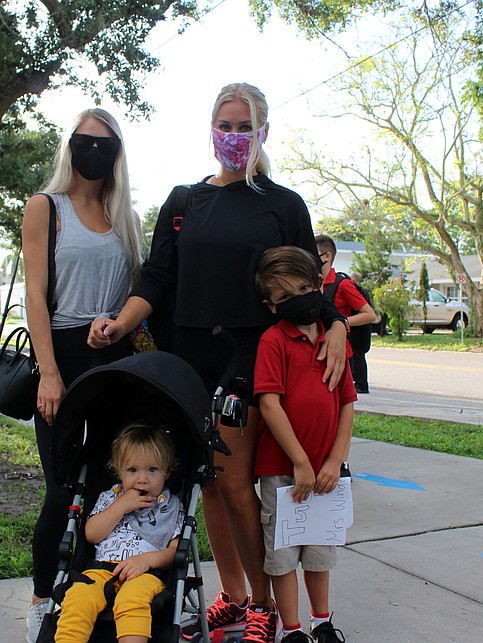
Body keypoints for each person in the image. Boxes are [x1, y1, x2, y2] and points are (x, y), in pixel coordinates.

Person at [88, 83, 349, 643]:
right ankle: (231, 596)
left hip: (249, 361)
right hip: (187, 362)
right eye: (224, 126)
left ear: (262, 133)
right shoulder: (183, 202)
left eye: (243, 126)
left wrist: (336, 327)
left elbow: (310, 285)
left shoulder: (283, 204)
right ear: (211, 130)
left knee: (233, 484)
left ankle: (263, 602)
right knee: (205, 484)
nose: (233, 136)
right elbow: (157, 279)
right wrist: (120, 322)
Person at [23, 108, 143, 643]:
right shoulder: (45, 207)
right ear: (70, 146)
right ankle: (42, 596)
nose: (93, 152)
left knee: (106, 483)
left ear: (117, 154)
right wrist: (49, 373)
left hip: (114, 353)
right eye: (83, 142)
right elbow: (35, 296)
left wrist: (117, 327)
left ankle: (90, 593)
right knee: (60, 485)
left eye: (105, 144)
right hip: (62, 355)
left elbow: (139, 292)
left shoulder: (126, 218)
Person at [253, 246, 354, 643]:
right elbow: (269, 404)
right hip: (284, 472)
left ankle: (322, 623)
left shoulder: (333, 342)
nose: (298, 300)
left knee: (319, 553)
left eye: (304, 288)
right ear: (271, 306)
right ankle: (293, 630)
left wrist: (335, 459)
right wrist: (300, 461)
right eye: (285, 297)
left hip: (327, 472)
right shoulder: (273, 342)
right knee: (282, 557)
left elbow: (346, 403)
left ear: (319, 285)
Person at [54, 424, 184, 643]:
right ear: (119, 471)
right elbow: (92, 534)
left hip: (145, 574)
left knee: (132, 599)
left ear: (167, 472)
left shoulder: (170, 506)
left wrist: (147, 560)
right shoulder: (110, 498)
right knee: (77, 598)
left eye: (152, 470)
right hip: (101, 571)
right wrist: (121, 506)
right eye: (132, 470)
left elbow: (175, 551)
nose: (142, 479)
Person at [314, 236, 376, 395]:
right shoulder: (313, 283)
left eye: (314, 254)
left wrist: (340, 322)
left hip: (340, 350)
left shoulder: (343, 284)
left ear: (327, 256)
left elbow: (369, 314)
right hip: (318, 349)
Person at [348, 272, 375, 394]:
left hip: (360, 332)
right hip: (362, 331)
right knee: (358, 357)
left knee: (358, 357)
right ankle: (359, 382)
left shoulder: (359, 292)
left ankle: (362, 384)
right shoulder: (363, 292)